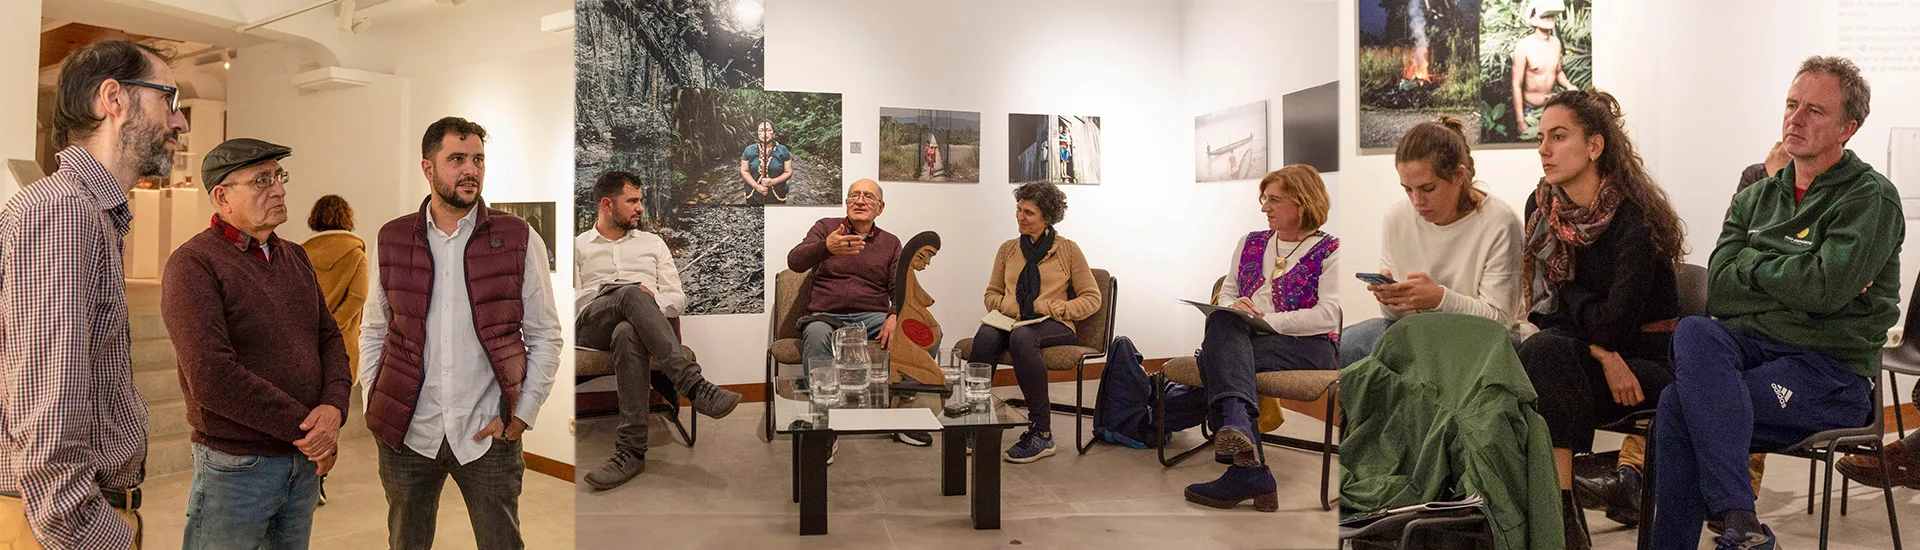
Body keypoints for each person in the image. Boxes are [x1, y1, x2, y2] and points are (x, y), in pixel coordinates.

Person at [1652, 56, 1901, 549]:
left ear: (1848, 127)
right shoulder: (1754, 199)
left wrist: (1758, 269)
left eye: (1814, 110)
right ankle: (1740, 522)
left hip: (1827, 374)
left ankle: (1733, 523)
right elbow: (1719, 289)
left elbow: (1825, 289)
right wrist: (1797, 280)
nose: (1795, 118)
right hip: (1753, 352)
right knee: (1695, 331)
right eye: (1791, 105)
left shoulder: (1870, 198)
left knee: (1678, 403)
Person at [0, 39, 187, 549]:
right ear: (114, 99)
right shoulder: (62, 213)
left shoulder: (88, 213)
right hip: (62, 528)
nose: (180, 121)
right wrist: (100, 537)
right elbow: (46, 412)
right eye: (168, 99)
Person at [359, 117, 563, 549]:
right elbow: (375, 329)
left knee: (502, 543)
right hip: (410, 432)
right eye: (457, 159)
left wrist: (523, 413)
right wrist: (374, 405)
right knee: (406, 543)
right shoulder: (391, 238)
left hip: (488, 432)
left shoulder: (519, 237)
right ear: (428, 169)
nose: (471, 169)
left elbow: (545, 334)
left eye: (478, 159)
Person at [1511, 90, 1686, 549]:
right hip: (1590, 360)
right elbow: (1547, 316)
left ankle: (1560, 517)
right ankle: (1537, 511)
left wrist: (1580, 309)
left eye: (1559, 136)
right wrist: (1599, 351)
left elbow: (1617, 324)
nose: (1544, 149)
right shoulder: (1542, 209)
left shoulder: (1635, 219)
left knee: (1544, 357)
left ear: (1594, 146)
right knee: (1517, 356)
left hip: (1645, 365)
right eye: (1541, 137)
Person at [162, 138, 351, 547]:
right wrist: (309, 429)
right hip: (237, 469)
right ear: (222, 196)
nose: (279, 189)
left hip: (301, 464)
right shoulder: (194, 264)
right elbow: (212, 376)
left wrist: (334, 408)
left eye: (278, 177)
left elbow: (329, 337)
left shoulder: (296, 257)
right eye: (262, 180)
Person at [1184, 165, 1340, 513]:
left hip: (1310, 348)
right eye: (1264, 199)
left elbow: (1328, 316)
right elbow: (1226, 294)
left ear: (1302, 203)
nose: (1265, 207)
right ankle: (1244, 445)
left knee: (1219, 350)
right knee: (1223, 321)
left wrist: (1266, 318)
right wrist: (1235, 306)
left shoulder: (1331, 250)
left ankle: (1243, 453)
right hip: (1248, 339)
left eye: (1274, 200)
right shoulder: (1250, 242)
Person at [575, 170, 740, 490]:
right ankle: (693, 385)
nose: (641, 207)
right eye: (633, 201)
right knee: (628, 293)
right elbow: (568, 298)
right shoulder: (578, 246)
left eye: (641, 200)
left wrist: (646, 302)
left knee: (627, 331)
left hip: (635, 329)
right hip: (590, 330)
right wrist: (615, 293)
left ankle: (631, 452)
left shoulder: (654, 244)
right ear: (607, 204)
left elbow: (676, 299)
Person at [1339, 116, 1525, 367]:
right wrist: (1392, 299)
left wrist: (1438, 299)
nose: (1417, 201)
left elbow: (1500, 320)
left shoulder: (1500, 221)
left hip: (1480, 338)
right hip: (1417, 331)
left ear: (1459, 176)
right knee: (1347, 343)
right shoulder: (1397, 217)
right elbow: (1397, 320)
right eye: (1408, 189)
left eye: (1428, 189)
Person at [785, 178, 924, 451]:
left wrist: (895, 315)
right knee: (815, 336)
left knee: (924, 332)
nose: (860, 201)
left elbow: (900, 288)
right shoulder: (826, 228)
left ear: (880, 207)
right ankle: (824, 425)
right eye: (854, 196)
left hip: (871, 317)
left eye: (868, 197)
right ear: (846, 203)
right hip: (825, 316)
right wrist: (826, 247)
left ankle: (900, 410)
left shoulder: (891, 242)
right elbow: (795, 261)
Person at [968, 181, 1102, 463]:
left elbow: (1092, 298)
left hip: (1053, 324)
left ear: (1047, 217)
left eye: (1028, 212)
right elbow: (991, 293)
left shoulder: (1068, 250)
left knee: (1022, 338)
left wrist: (1055, 307)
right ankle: (974, 422)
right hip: (1011, 319)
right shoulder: (1008, 250)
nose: (1020, 217)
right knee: (985, 337)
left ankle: (1041, 433)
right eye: (1018, 209)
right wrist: (1007, 305)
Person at [1510, 0, 1577, 139]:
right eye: (1545, 16)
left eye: (1551, 15)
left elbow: (1558, 71)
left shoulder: (1556, 43)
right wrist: (1520, 120)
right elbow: (1516, 85)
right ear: (1533, 20)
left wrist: (1568, 85)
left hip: (1551, 108)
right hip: (1530, 111)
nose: (1550, 18)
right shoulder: (1524, 46)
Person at [740, 121, 792, 205]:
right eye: (761, 130)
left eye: (768, 130)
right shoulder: (749, 150)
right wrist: (756, 186)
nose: (764, 134)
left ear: (774, 134)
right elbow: (744, 171)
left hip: (777, 194)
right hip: (754, 194)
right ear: (757, 134)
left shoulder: (783, 150)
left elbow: (788, 172)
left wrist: (773, 181)